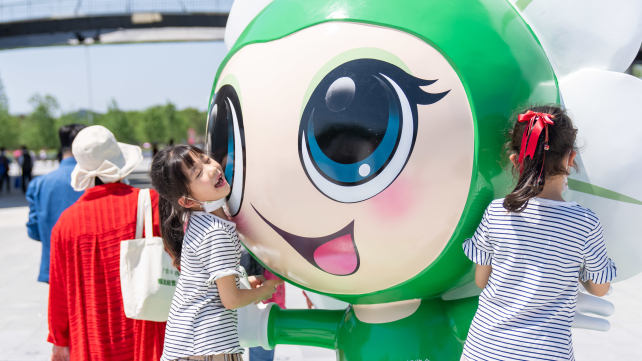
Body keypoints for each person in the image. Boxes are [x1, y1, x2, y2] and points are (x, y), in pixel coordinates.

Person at [461, 105, 617, 361]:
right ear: (571, 159)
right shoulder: (585, 223)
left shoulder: (496, 212)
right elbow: (599, 289)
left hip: (485, 348)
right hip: (545, 353)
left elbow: (482, 281)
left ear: (515, 160)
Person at [149, 144, 282, 361]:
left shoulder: (201, 221)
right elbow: (230, 300)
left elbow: (208, 286)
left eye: (205, 159)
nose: (211, 169)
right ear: (188, 201)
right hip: (207, 345)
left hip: (192, 343)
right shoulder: (216, 231)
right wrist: (263, 292)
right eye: (198, 173)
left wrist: (241, 282)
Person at [47, 126, 166, 361]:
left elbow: (59, 291)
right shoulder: (151, 203)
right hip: (148, 339)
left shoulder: (66, 222)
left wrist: (59, 341)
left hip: (91, 341)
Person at [26, 124, 85, 283]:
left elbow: (34, 231)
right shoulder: (96, 181)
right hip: (90, 267)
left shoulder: (39, 184)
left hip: (54, 266)